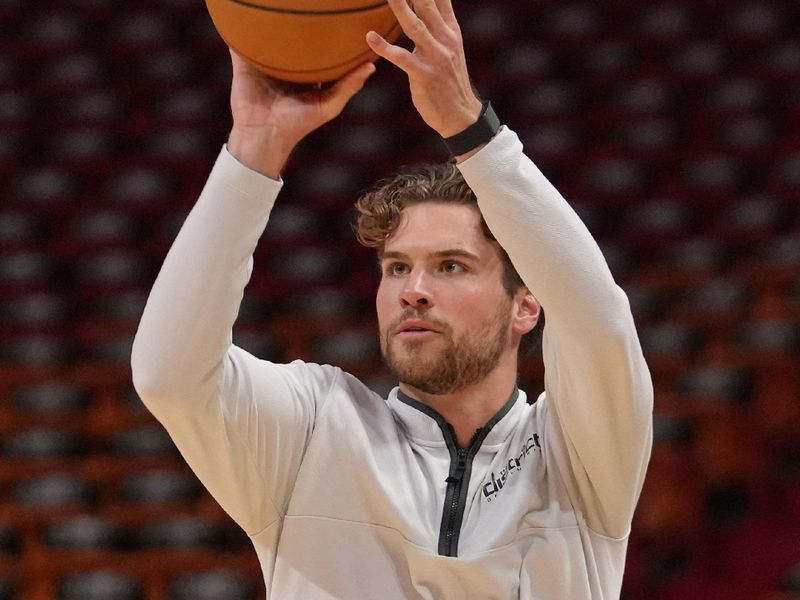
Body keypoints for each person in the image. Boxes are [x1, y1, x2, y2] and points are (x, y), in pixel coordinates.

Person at [131, 0, 653, 597]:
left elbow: (599, 321)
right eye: (397, 267)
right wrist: (254, 148)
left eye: (451, 266)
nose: (414, 291)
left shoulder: (578, 456)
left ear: (526, 305)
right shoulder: (313, 429)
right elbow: (168, 373)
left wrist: (468, 124)